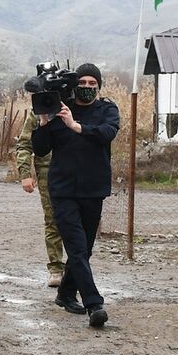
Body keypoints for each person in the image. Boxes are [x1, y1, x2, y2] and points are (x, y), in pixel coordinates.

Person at [31, 62, 119, 329]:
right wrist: (46, 121)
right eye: (82, 83)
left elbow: (107, 133)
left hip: (93, 190)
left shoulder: (107, 109)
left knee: (85, 250)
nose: (87, 88)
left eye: (93, 83)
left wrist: (76, 125)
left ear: (99, 86)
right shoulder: (58, 110)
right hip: (63, 191)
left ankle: (66, 293)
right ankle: (95, 304)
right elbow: (41, 149)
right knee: (77, 249)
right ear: (74, 85)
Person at [15, 112, 66, 287]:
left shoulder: (76, 105)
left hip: (76, 170)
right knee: (53, 220)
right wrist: (25, 173)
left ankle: (77, 269)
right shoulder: (40, 109)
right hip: (48, 172)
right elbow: (24, 144)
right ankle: (56, 268)